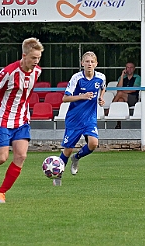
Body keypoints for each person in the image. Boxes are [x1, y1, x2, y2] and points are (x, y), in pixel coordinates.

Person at [0, 38, 44, 203]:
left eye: (38, 58)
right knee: (2, 157)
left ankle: (1, 192)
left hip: (22, 120)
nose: (36, 62)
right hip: (2, 120)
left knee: (21, 155)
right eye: (33, 58)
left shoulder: (37, 72)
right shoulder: (8, 72)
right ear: (24, 55)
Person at [56, 51, 106, 186]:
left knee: (93, 143)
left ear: (96, 64)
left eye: (92, 62)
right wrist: (82, 96)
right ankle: (57, 176)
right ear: (82, 63)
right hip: (74, 119)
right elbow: (65, 98)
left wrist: (101, 98)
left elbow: (102, 88)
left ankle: (76, 158)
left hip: (89, 118)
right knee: (68, 149)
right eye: (87, 61)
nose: (89, 64)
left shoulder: (101, 77)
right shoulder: (76, 78)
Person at [112, 62, 141, 129]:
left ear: (134, 69)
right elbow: (118, 88)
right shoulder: (122, 77)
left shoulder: (137, 77)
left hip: (133, 98)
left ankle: (109, 109)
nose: (129, 69)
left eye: (131, 67)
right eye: (127, 67)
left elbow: (134, 90)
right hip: (124, 98)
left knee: (120, 94)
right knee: (120, 100)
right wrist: (122, 75)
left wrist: (122, 92)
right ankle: (119, 124)